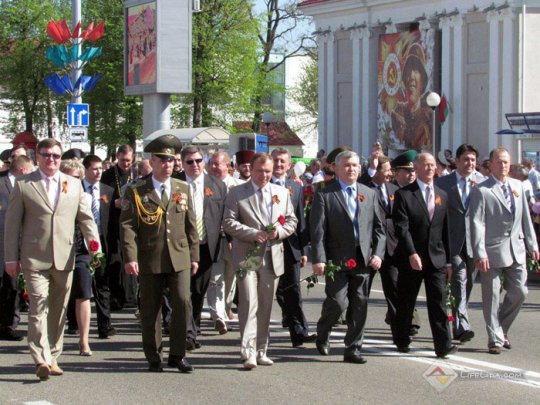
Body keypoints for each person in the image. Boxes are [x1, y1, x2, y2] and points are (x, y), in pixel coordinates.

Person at [4, 138, 100, 381]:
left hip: (64, 257)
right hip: (33, 257)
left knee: (58, 310)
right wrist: (10, 259)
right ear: (37, 157)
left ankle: (53, 355)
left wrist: (94, 245)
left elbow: (86, 218)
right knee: (38, 307)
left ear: (61, 158)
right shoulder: (25, 184)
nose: (51, 159)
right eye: (46, 155)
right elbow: (12, 224)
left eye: (56, 155)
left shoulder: (74, 183)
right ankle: (40, 358)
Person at [120, 135, 199, 373]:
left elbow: (190, 224)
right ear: (152, 161)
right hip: (150, 255)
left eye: (171, 160)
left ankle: (177, 354)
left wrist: (194, 255)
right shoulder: (136, 190)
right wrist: (131, 257)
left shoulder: (182, 188)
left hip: (179, 255)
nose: (168, 165)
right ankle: (154, 355)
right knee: (151, 308)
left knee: (183, 302)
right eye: (162, 160)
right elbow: (127, 225)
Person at [223, 153, 297, 369]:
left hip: (272, 256)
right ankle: (248, 352)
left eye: (268, 171)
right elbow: (228, 222)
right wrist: (252, 233)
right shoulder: (237, 193)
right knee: (247, 301)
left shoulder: (282, 193)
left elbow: (292, 220)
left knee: (265, 304)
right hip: (247, 255)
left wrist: (280, 232)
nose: (264, 175)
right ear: (251, 170)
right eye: (259, 171)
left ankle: (261, 350)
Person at [311, 150, 385, 364]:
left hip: (363, 259)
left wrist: (378, 254)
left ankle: (353, 348)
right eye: (346, 165)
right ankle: (323, 329)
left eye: (354, 165)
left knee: (360, 303)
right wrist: (319, 258)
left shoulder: (369, 193)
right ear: (336, 168)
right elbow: (318, 231)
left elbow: (379, 228)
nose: (351, 169)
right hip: (337, 259)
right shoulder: (325, 194)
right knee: (337, 302)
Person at [469, 147, 539, 354]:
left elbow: (526, 218)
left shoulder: (518, 186)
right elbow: (477, 223)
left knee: (520, 291)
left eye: (506, 162)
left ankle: (501, 328)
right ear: (490, 165)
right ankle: (495, 340)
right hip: (492, 251)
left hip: (516, 249)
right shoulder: (482, 190)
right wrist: (479, 252)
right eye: (499, 162)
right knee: (491, 297)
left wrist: (532, 245)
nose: (503, 166)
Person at [392, 152, 457, 358]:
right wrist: (411, 252)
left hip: (436, 258)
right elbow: (402, 228)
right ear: (417, 168)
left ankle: (443, 345)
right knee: (406, 301)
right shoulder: (404, 195)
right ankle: (401, 339)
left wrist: (448, 261)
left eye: (432, 165)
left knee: (438, 302)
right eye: (425, 165)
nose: (430, 168)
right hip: (412, 258)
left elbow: (445, 229)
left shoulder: (442, 195)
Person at [177, 146, 227, 349]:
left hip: (206, 245)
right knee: (182, 292)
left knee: (198, 292)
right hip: (180, 247)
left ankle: (192, 330)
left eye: (198, 160)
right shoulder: (175, 184)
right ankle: (187, 333)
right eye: (190, 162)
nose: (195, 165)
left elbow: (224, 216)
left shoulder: (217, 185)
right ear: (182, 163)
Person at [436, 144, 486, 343]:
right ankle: (462, 324)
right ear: (456, 161)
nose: (470, 163)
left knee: (469, 283)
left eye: (473, 160)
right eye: (466, 159)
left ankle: (458, 319)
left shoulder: (483, 183)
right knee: (459, 279)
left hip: (475, 243)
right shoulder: (443, 183)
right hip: (453, 242)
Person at [271, 148, 316, 347]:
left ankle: (299, 332)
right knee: (264, 291)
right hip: (267, 245)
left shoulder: (295, 188)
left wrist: (304, 249)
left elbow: (301, 220)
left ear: (289, 166)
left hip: (291, 247)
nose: (279, 165)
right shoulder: (261, 185)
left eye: (283, 162)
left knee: (293, 290)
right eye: (276, 161)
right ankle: (259, 335)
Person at [359, 155, 401, 331]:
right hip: (370, 247)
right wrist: (370, 168)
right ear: (375, 172)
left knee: (394, 287)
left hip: (390, 246)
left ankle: (399, 325)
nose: (390, 173)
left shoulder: (393, 189)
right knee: (363, 290)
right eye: (386, 170)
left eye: (391, 170)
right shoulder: (365, 188)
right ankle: (356, 322)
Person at [206, 151, 244, 332]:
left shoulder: (239, 186)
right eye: (211, 163)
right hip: (212, 240)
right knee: (215, 279)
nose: (213, 167)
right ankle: (218, 315)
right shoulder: (204, 186)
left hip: (234, 242)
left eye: (217, 164)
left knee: (230, 278)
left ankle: (225, 308)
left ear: (228, 166)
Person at [60, 159, 94, 356]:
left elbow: (89, 223)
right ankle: (54, 338)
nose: (76, 181)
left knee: (83, 294)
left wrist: (94, 247)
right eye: (72, 177)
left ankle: (84, 341)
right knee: (57, 295)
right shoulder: (52, 194)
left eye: (79, 178)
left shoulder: (84, 197)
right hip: (57, 249)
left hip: (80, 249)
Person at [82, 155, 116, 339]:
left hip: (101, 243)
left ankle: (105, 325)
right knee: (81, 285)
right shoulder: (75, 189)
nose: (98, 172)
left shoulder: (107, 191)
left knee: (102, 285)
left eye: (100, 168)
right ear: (86, 170)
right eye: (94, 169)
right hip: (81, 244)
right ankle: (75, 322)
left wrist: (114, 249)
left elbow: (112, 222)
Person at [0, 155, 34, 341]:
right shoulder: (2, 182)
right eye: (31, 170)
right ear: (22, 170)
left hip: (22, 243)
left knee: (13, 287)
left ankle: (9, 325)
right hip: (2, 241)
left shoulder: (30, 186)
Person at [101, 145, 136, 312]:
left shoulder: (136, 174)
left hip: (132, 223)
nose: (126, 163)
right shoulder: (107, 176)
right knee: (116, 260)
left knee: (132, 258)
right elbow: (102, 198)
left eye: (129, 160)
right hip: (114, 223)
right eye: (123, 160)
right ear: (117, 158)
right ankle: (116, 297)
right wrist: (113, 202)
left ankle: (131, 296)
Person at [391, 44, 432, 149]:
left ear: (423, 80)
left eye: (416, 71)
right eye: (408, 71)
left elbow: (419, 141)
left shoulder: (428, 115)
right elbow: (405, 140)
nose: (411, 77)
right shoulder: (398, 111)